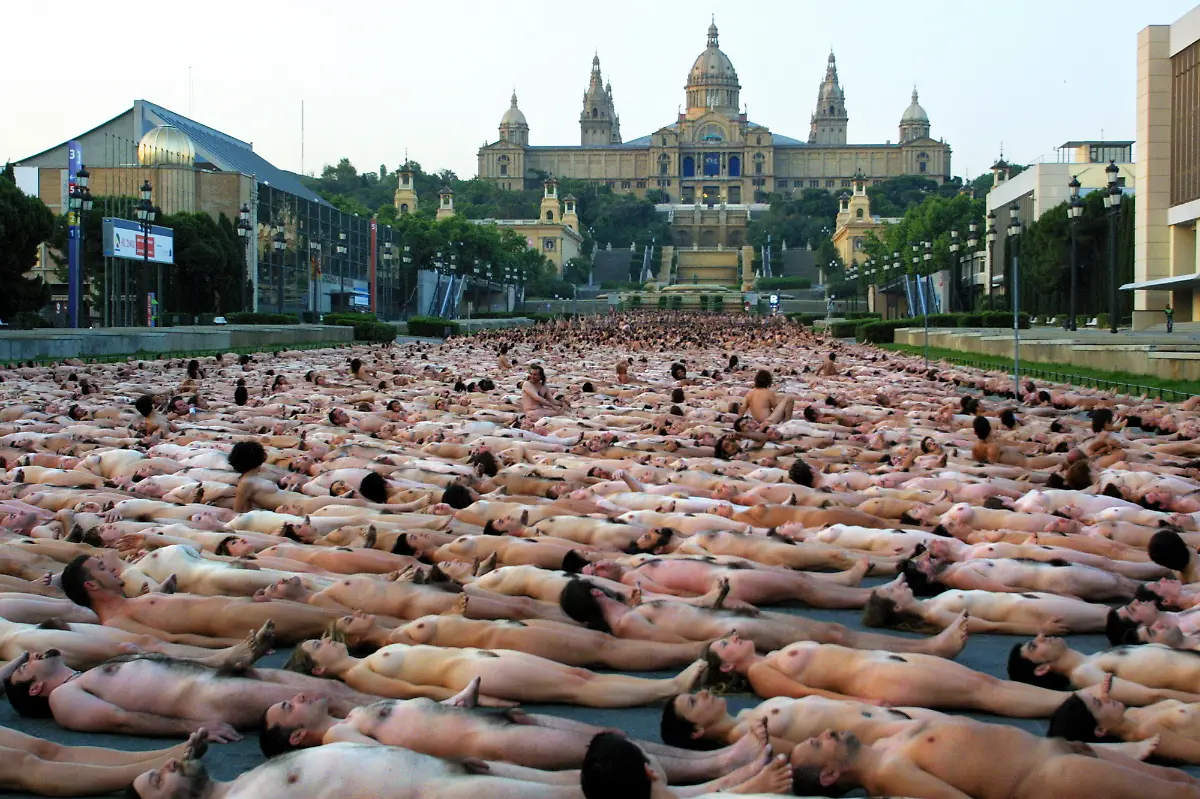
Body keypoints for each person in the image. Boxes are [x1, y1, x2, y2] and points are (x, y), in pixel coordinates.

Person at [788, 721, 1200, 799]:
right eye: (819, 743)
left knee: (1175, 778)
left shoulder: (889, 744)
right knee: (1179, 793)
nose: (826, 732)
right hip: (1050, 775)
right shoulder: (891, 775)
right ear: (830, 775)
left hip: (1056, 751)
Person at [703, 632, 1072, 718]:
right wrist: (862, 704)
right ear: (727, 665)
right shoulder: (762, 673)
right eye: (726, 643)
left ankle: (1072, 703)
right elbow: (802, 694)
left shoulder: (772, 656)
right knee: (980, 692)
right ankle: (1071, 707)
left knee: (985, 685)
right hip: (875, 680)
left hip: (882, 663)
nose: (734, 636)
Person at [284, 635, 706, 707]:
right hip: (476, 676)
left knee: (581, 677)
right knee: (576, 689)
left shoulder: (364, 660)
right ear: (320, 670)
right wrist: (476, 696)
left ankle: (665, 685)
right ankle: (665, 689)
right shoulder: (358, 675)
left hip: (482, 661)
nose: (329, 640)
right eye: (319, 646)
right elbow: (410, 691)